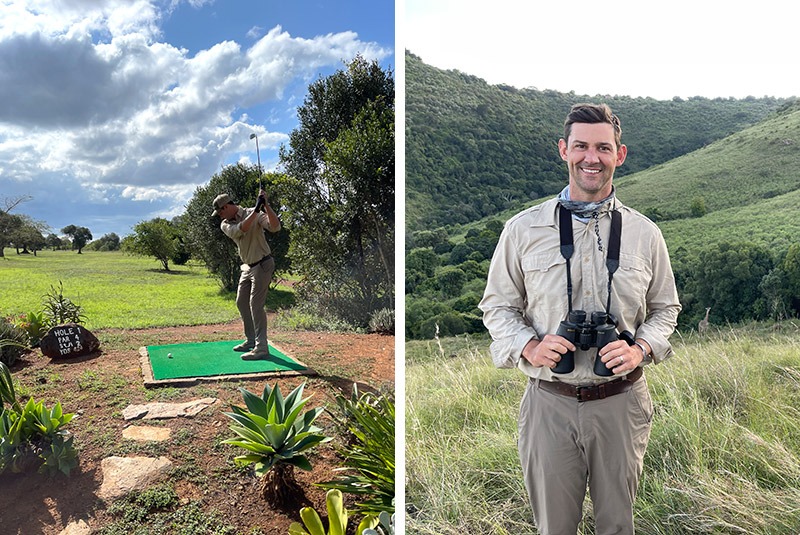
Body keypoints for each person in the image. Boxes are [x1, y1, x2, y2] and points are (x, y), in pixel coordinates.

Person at [479, 103, 681, 534]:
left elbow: (666, 309)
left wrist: (640, 348)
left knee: (616, 525)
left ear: (619, 154)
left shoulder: (646, 234)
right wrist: (529, 346)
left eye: (603, 148)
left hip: (622, 402)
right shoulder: (523, 229)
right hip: (549, 401)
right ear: (563, 150)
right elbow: (497, 306)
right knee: (554, 527)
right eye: (581, 146)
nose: (592, 157)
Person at [211, 190, 281, 360]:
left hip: (263, 263)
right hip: (247, 267)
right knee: (241, 302)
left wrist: (266, 206)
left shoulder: (254, 212)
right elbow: (242, 228)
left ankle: (262, 347)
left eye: (220, 211)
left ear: (227, 206)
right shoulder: (225, 224)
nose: (220, 216)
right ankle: (250, 340)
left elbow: (275, 227)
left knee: (255, 305)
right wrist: (257, 209)